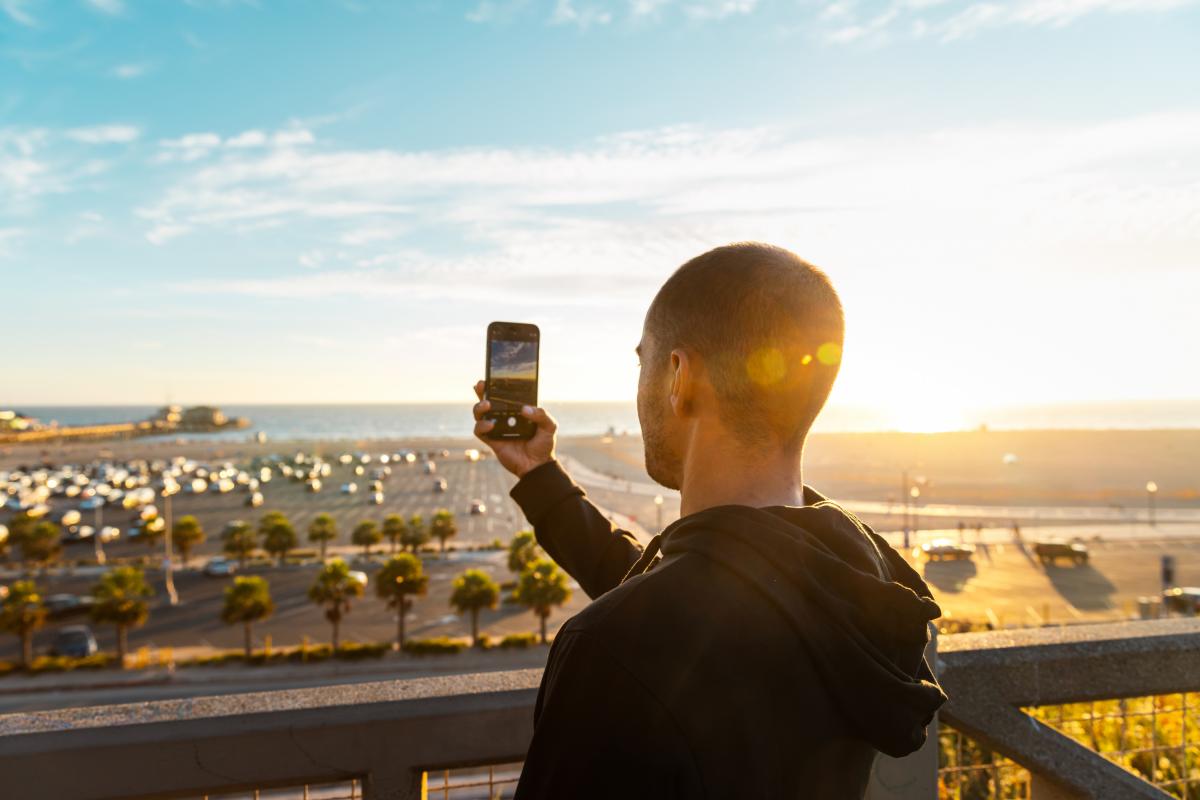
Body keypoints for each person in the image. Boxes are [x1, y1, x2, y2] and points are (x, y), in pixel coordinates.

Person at [472, 242, 946, 799]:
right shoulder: (859, 576)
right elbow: (696, 589)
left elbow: (675, 611)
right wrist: (540, 476)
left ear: (679, 376)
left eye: (644, 362)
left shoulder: (610, 651)